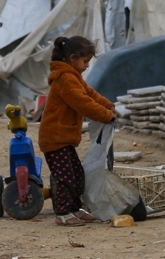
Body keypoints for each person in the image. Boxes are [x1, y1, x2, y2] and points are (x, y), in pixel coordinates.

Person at [38, 36, 115, 226]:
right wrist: (106, 115)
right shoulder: (65, 79)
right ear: (72, 58)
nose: (87, 65)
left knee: (77, 175)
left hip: (64, 138)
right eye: (85, 61)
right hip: (55, 139)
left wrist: (109, 106)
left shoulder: (73, 77)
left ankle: (74, 208)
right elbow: (83, 103)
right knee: (65, 178)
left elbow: (90, 94)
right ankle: (63, 213)